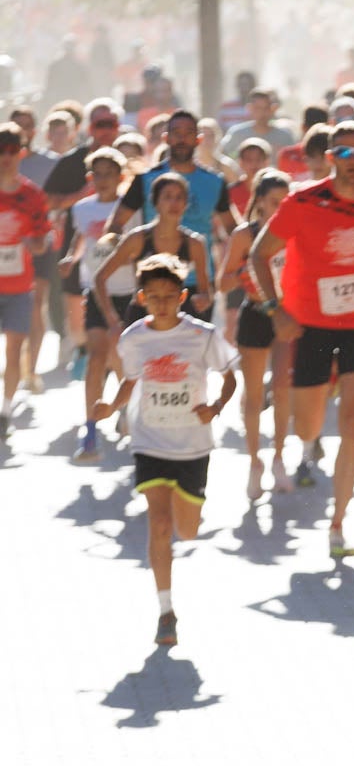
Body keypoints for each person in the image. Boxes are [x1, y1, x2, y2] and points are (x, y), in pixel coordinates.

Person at [249, 121, 354, 556]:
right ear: (331, 157)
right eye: (346, 154)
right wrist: (275, 309)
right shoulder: (303, 201)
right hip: (310, 325)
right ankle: (308, 436)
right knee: (309, 424)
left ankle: (338, 522)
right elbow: (258, 255)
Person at [92, 254, 238, 646]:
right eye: (153, 296)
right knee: (158, 524)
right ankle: (166, 611)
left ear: (183, 296)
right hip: (150, 441)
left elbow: (229, 379)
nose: (161, 303)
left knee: (187, 531)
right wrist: (112, 406)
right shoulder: (133, 338)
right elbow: (130, 380)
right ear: (141, 297)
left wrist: (216, 407)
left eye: (169, 296)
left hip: (192, 447)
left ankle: (184, 525)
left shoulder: (202, 335)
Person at [105, 110, 236, 316]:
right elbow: (115, 225)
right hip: (154, 283)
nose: (182, 138)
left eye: (188, 133)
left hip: (198, 287)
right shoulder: (146, 179)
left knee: (192, 349)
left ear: (198, 139)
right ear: (166, 138)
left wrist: (232, 269)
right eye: (176, 132)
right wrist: (125, 253)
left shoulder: (215, 182)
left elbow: (234, 230)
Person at [217, 169, 293, 496]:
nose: (280, 208)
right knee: (254, 394)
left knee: (283, 387)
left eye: (285, 202)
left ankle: (278, 457)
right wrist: (245, 269)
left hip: (288, 316)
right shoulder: (243, 236)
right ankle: (254, 461)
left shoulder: (294, 231)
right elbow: (223, 283)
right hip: (256, 314)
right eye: (275, 201)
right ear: (259, 201)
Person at [61, 146, 133, 463]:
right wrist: (71, 258)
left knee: (120, 357)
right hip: (96, 291)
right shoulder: (81, 209)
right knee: (96, 358)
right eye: (98, 174)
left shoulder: (130, 209)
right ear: (90, 178)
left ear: (120, 177)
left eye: (109, 174)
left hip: (127, 292)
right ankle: (90, 431)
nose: (103, 180)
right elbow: (83, 240)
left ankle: (124, 407)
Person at [94, 173, 212, 329]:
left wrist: (203, 299)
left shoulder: (195, 243)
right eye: (167, 197)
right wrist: (111, 319)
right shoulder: (137, 239)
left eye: (179, 197)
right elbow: (100, 277)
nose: (174, 203)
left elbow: (205, 291)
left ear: (186, 204)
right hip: (142, 318)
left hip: (178, 318)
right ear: (155, 202)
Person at [0, 122, 53, 439]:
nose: (6, 158)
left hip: (19, 287)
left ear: (21, 153)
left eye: (11, 151)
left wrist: (38, 243)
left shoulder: (32, 194)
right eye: (0, 152)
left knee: (13, 349)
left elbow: (43, 235)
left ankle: (5, 409)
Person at [220, 88, 295, 158]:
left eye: (266, 108)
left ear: (272, 109)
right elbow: (225, 157)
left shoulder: (284, 137)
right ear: (249, 108)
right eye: (257, 108)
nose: (261, 113)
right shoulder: (237, 134)